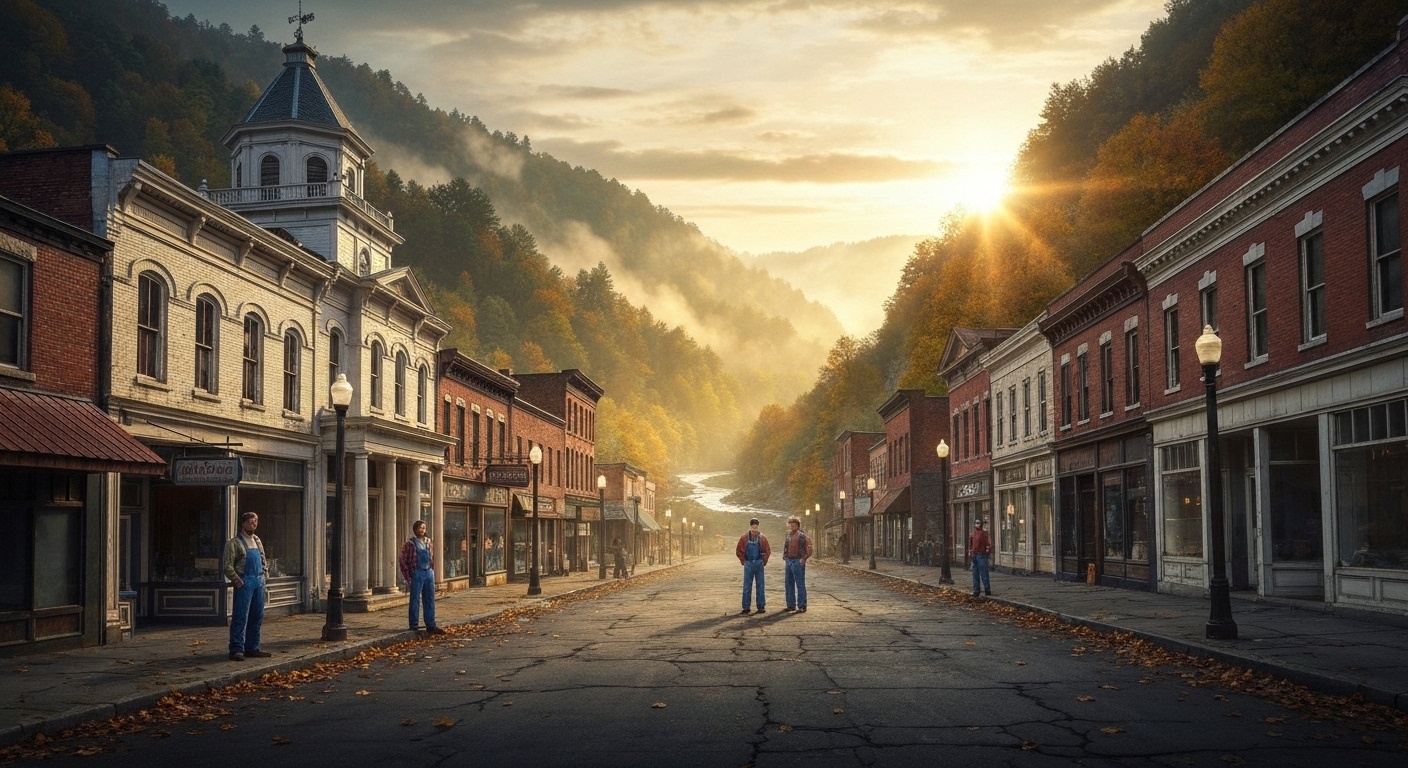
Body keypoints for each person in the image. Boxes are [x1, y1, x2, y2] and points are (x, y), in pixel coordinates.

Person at [223, 511, 271, 661]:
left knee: (257, 616)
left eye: (255, 521)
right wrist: (237, 580)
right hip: (245, 582)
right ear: (243, 523)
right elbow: (227, 566)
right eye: (250, 522)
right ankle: (236, 649)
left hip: (258, 581)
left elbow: (263, 559)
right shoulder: (234, 543)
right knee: (240, 616)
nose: (253, 524)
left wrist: (264, 576)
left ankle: (252, 647)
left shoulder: (257, 540)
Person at [400, 520, 444, 634]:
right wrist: (409, 576)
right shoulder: (410, 544)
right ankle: (413, 624)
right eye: (420, 528)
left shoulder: (428, 542)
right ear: (415, 530)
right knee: (415, 599)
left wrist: (432, 571)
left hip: (428, 572)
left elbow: (432, 557)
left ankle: (431, 624)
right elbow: (403, 560)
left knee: (429, 598)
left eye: (424, 528)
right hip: (417, 573)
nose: (422, 530)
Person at [735, 518, 770, 614]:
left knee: (760, 585)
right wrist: (744, 561)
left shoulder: (763, 538)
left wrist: (763, 561)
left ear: (758, 527)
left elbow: (767, 551)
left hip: (759, 563)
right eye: (753, 527)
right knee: (747, 586)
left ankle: (761, 606)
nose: (754, 529)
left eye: (756, 527)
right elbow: (738, 551)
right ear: (750, 527)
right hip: (749, 563)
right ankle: (746, 607)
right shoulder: (744, 538)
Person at [782, 515, 812, 613]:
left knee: (800, 584)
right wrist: (785, 558)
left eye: (794, 525)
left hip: (798, 561)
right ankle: (791, 605)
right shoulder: (788, 535)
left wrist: (804, 559)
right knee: (789, 583)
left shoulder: (803, 536)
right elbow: (785, 547)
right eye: (791, 525)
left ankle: (802, 605)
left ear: (798, 526)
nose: (792, 527)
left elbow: (809, 548)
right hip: (789, 561)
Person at [970, 519, 993, 597]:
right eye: (976, 523)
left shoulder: (984, 534)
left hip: (982, 555)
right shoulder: (973, 534)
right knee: (975, 574)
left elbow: (988, 544)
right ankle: (976, 590)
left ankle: (987, 589)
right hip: (975, 555)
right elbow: (971, 544)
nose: (977, 525)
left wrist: (986, 553)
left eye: (979, 523)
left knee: (984, 573)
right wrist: (971, 553)